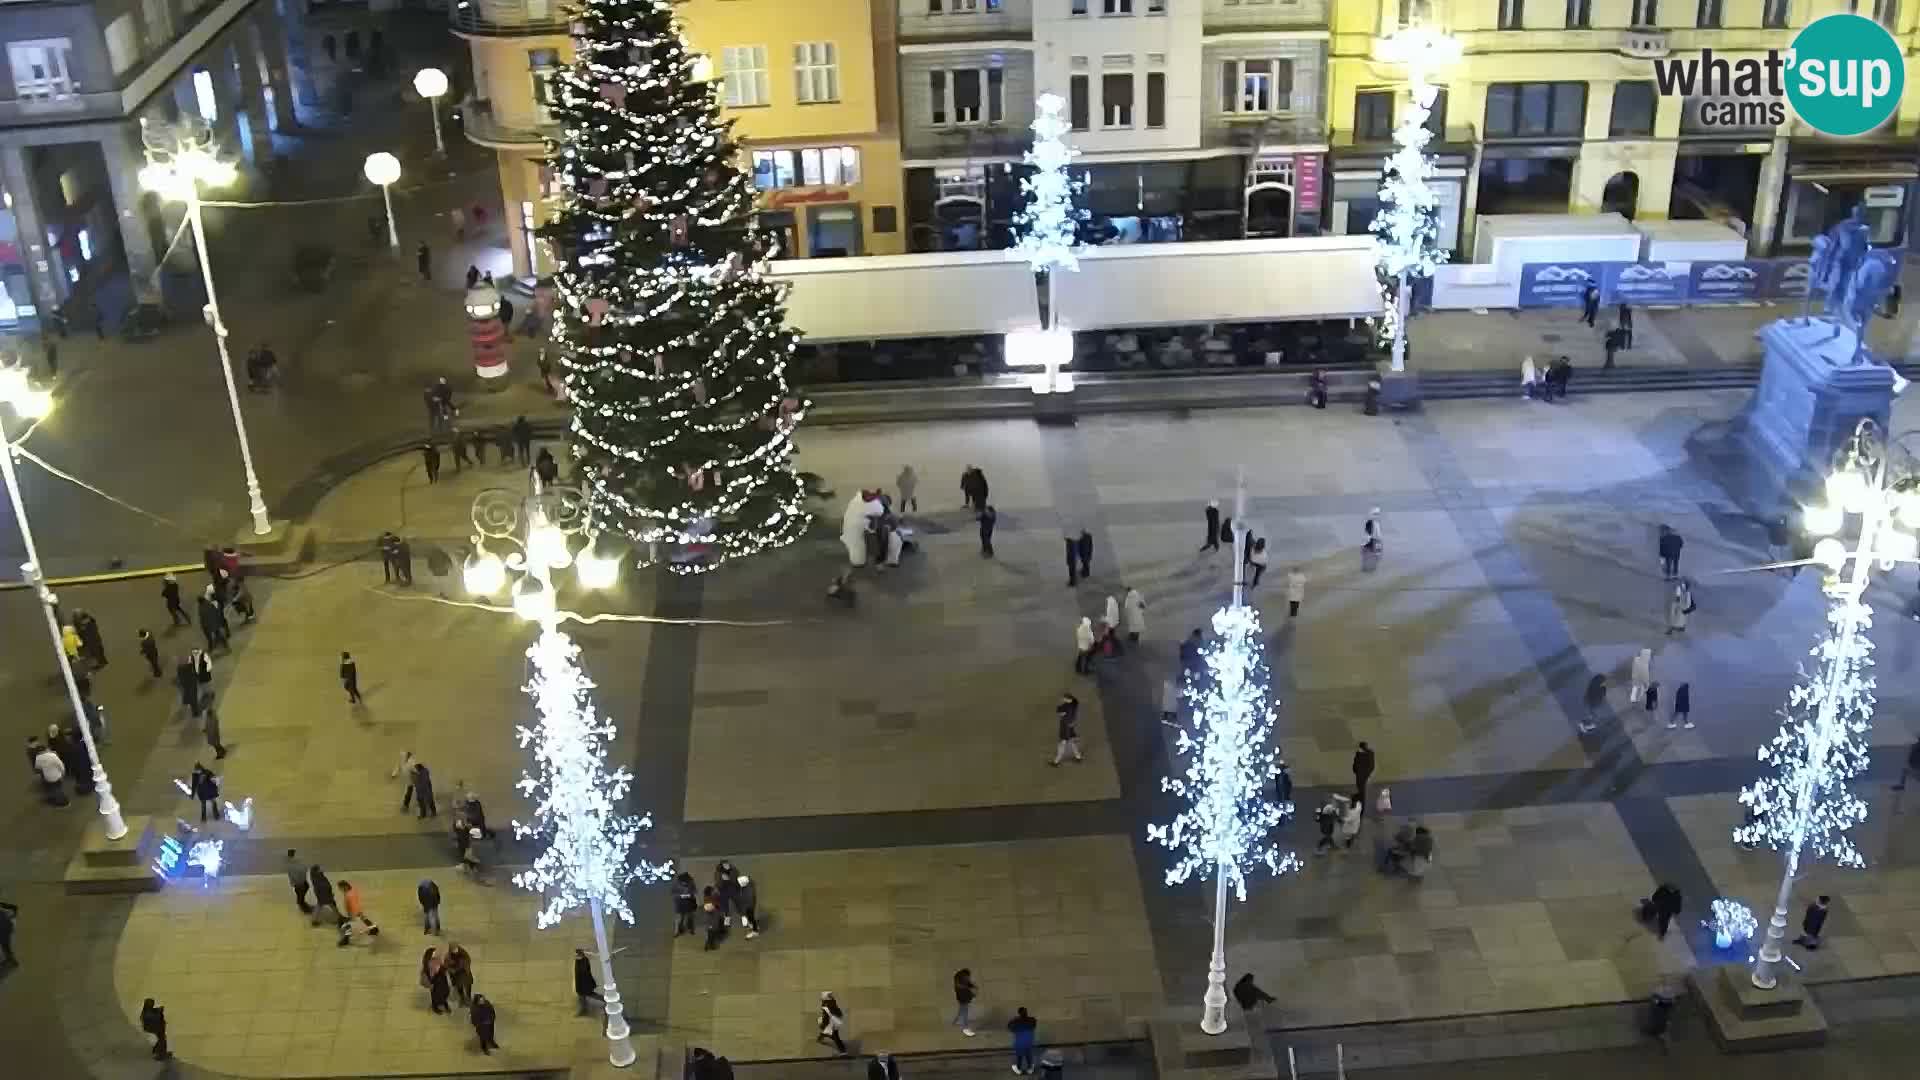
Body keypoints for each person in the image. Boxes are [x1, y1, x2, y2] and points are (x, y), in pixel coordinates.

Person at [1051, 693, 1082, 766]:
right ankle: (1078, 757)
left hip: (1065, 727)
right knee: (1072, 742)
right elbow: (1061, 711)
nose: (1063, 699)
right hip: (1071, 726)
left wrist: (1061, 713)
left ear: (1067, 699)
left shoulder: (1065, 706)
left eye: (1064, 698)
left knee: (1061, 744)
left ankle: (1056, 762)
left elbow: (1059, 711)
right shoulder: (1075, 704)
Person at [1007, 1006, 1038, 1074]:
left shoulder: (1015, 1021)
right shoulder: (1032, 1020)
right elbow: (1034, 1026)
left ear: (1019, 1013)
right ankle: (1030, 1068)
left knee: (1019, 1056)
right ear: (1026, 1012)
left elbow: (1010, 1027)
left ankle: (1019, 1069)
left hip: (1019, 1041)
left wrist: (1015, 1021)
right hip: (1029, 1041)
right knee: (1028, 1054)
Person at [33, 739, 65, 805]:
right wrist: (63, 773)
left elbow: (38, 767)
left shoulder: (38, 757)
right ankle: (61, 801)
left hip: (47, 777)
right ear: (45, 749)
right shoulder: (52, 755)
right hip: (57, 776)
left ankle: (54, 798)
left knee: (53, 788)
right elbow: (61, 765)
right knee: (59, 789)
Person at [953, 967, 978, 1036]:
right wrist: (972, 993)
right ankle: (965, 1028)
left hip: (963, 998)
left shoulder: (961, 979)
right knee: (965, 1013)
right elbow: (963, 988)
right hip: (963, 999)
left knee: (961, 1009)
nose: (968, 977)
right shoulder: (959, 982)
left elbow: (968, 984)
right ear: (964, 975)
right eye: (968, 976)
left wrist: (973, 986)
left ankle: (957, 1021)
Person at [734, 873, 761, 938]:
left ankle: (755, 931)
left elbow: (747, 901)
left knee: (750, 917)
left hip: (749, 906)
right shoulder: (748, 886)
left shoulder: (749, 891)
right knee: (750, 917)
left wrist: (743, 914)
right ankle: (754, 926)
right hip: (749, 905)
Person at [673, 871, 698, 935]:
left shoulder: (691, 883)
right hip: (680, 903)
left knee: (690, 917)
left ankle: (690, 929)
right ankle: (679, 930)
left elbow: (694, 892)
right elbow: (674, 894)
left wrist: (689, 895)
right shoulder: (677, 884)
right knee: (680, 918)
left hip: (689, 903)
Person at [0, 898, 16, 966]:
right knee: (6, 946)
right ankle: (10, 960)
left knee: (5, 946)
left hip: (4, 929)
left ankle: (11, 960)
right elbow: (14, 909)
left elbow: (14, 908)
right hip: (6, 929)